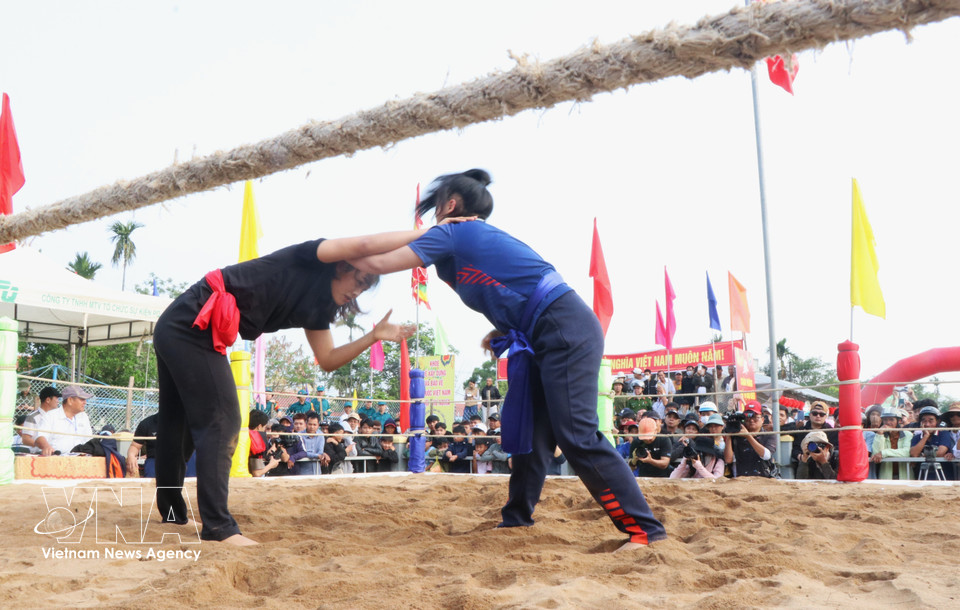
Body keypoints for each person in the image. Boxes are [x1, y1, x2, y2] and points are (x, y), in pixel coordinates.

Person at [351, 169, 665, 549]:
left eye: (436, 209)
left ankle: (645, 530)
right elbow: (517, 290)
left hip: (563, 329)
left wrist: (324, 258)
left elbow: (380, 263)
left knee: (577, 435)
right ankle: (517, 518)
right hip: (544, 332)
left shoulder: (453, 232)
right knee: (531, 434)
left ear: (450, 205)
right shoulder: (469, 236)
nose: (433, 218)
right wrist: (501, 330)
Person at [151, 225, 459, 545]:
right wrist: (436, 233)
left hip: (180, 325)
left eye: (366, 286)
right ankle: (218, 528)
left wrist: (373, 337)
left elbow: (326, 359)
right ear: (344, 265)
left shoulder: (318, 308)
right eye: (360, 279)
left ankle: (171, 512)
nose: (359, 289)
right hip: (190, 324)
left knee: (178, 423)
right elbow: (367, 242)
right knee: (223, 418)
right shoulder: (311, 258)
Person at [31, 386, 94, 456]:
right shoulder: (51, 416)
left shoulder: (83, 416)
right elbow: (40, 437)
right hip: (56, 459)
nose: (85, 402)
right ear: (70, 400)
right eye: (82, 399)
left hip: (81, 460)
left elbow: (88, 440)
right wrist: (46, 447)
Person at [723, 401, 778, 478]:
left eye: (755, 417)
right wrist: (729, 435)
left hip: (764, 478)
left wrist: (748, 436)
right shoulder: (737, 436)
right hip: (742, 479)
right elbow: (728, 460)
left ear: (762, 419)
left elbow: (766, 455)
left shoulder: (769, 435)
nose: (751, 420)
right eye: (748, 416)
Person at [871, 409, 912, 480]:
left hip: (905, 476)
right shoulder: (880, 435)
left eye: (891, 419)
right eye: (885, 420)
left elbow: (907, 452)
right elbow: (876, 454)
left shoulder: (908, 434)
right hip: (886, 477)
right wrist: (880, 434)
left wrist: (884, 453)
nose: (888, 422)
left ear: (899, 421)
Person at [20, 386, 62, 451]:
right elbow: (25, 439)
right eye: (56, 399)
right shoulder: (32, 417)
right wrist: (43, 445)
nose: (58, 401)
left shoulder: (58, 417)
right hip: (38, 455)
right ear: (48, 400)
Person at [126, 413, 159, 477]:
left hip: (181, 460)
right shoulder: (147, 423)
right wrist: (131, 456)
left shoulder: (184, 422)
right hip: (154, 460)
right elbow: (135, 446)